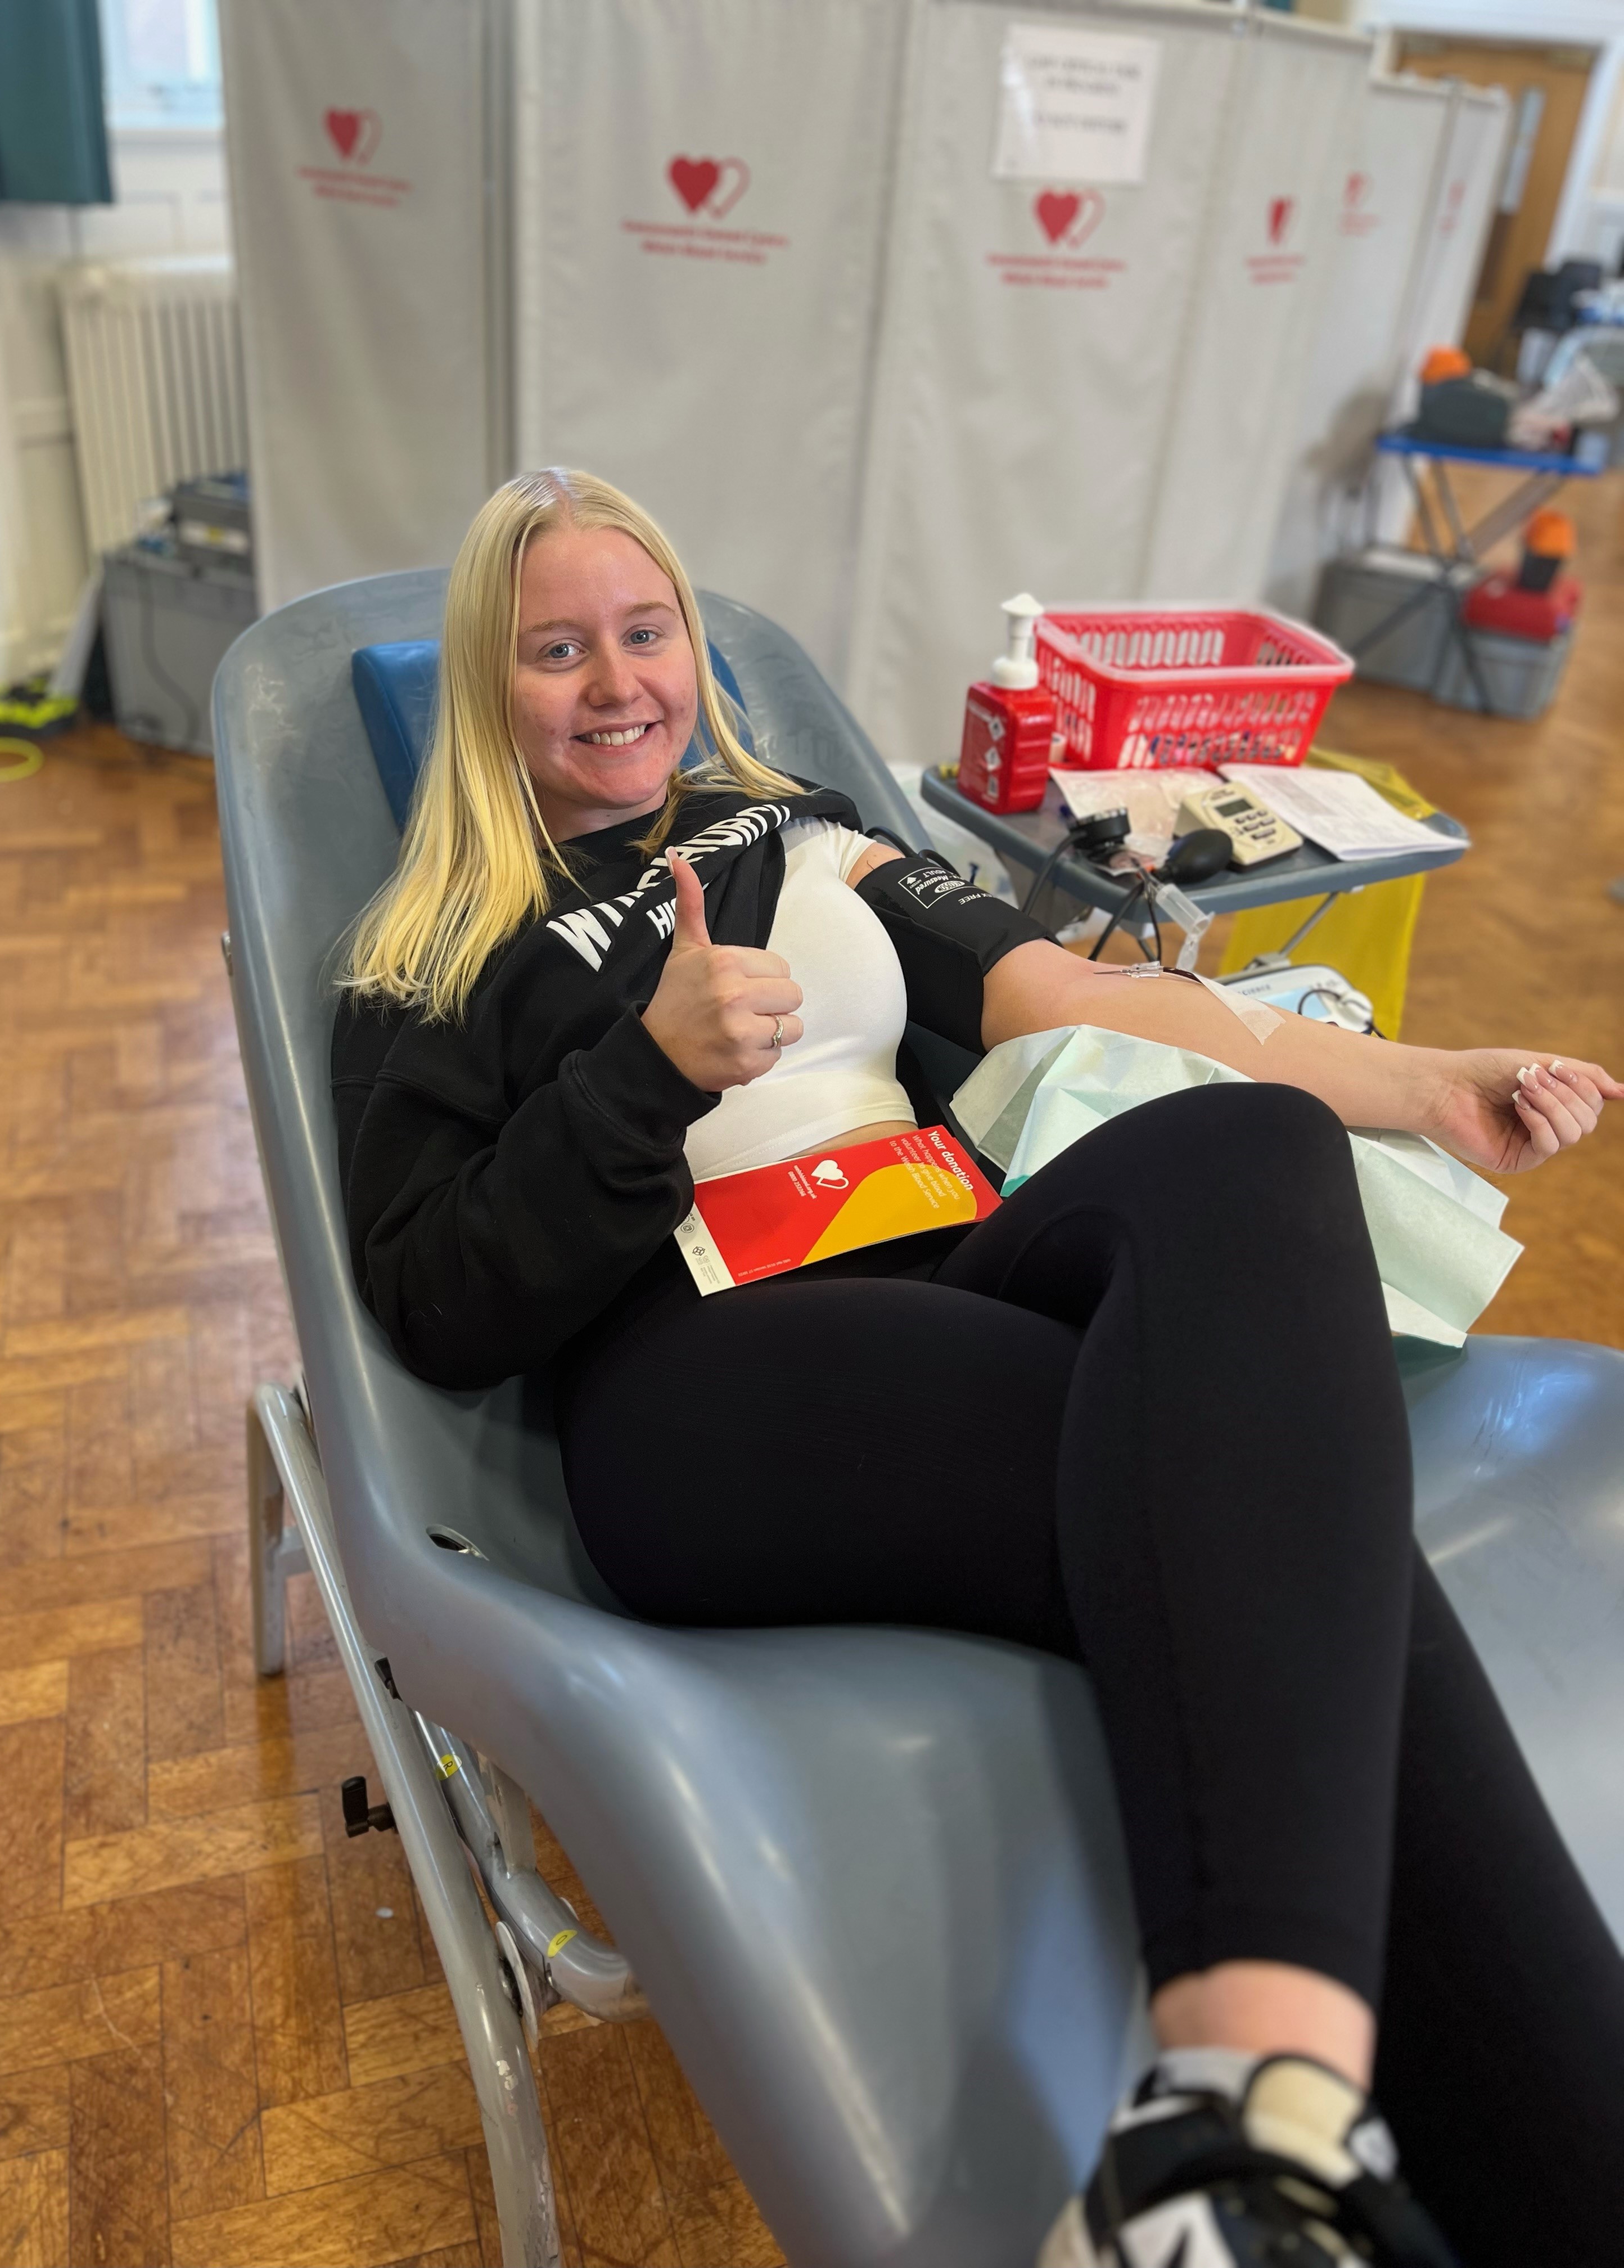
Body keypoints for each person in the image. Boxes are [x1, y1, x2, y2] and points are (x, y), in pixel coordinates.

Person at [333, 469, 1623, 2268]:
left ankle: (1244, 2147)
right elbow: (435, 1299)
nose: (617, 683)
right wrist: (642, 1075)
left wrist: (1425, 1085)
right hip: (707, 1368)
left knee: (1250, 1153)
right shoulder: (429, 955)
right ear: (487, 687)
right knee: (1286, 1538)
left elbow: (1080, 1000)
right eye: (557, 651)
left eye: (647, 631)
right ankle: (1279, 2120)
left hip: (949, 1260)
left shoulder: (802, 831)